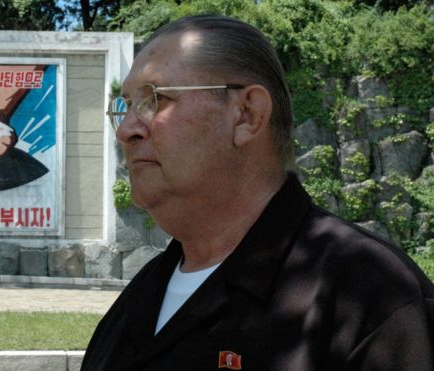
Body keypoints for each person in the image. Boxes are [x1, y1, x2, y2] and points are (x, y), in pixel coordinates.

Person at [82, 14, 434, 371]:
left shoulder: (368, 296)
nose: (126, 130)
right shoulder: (135, 303)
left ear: (247, 114)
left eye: (153, 100)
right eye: (125, 105)